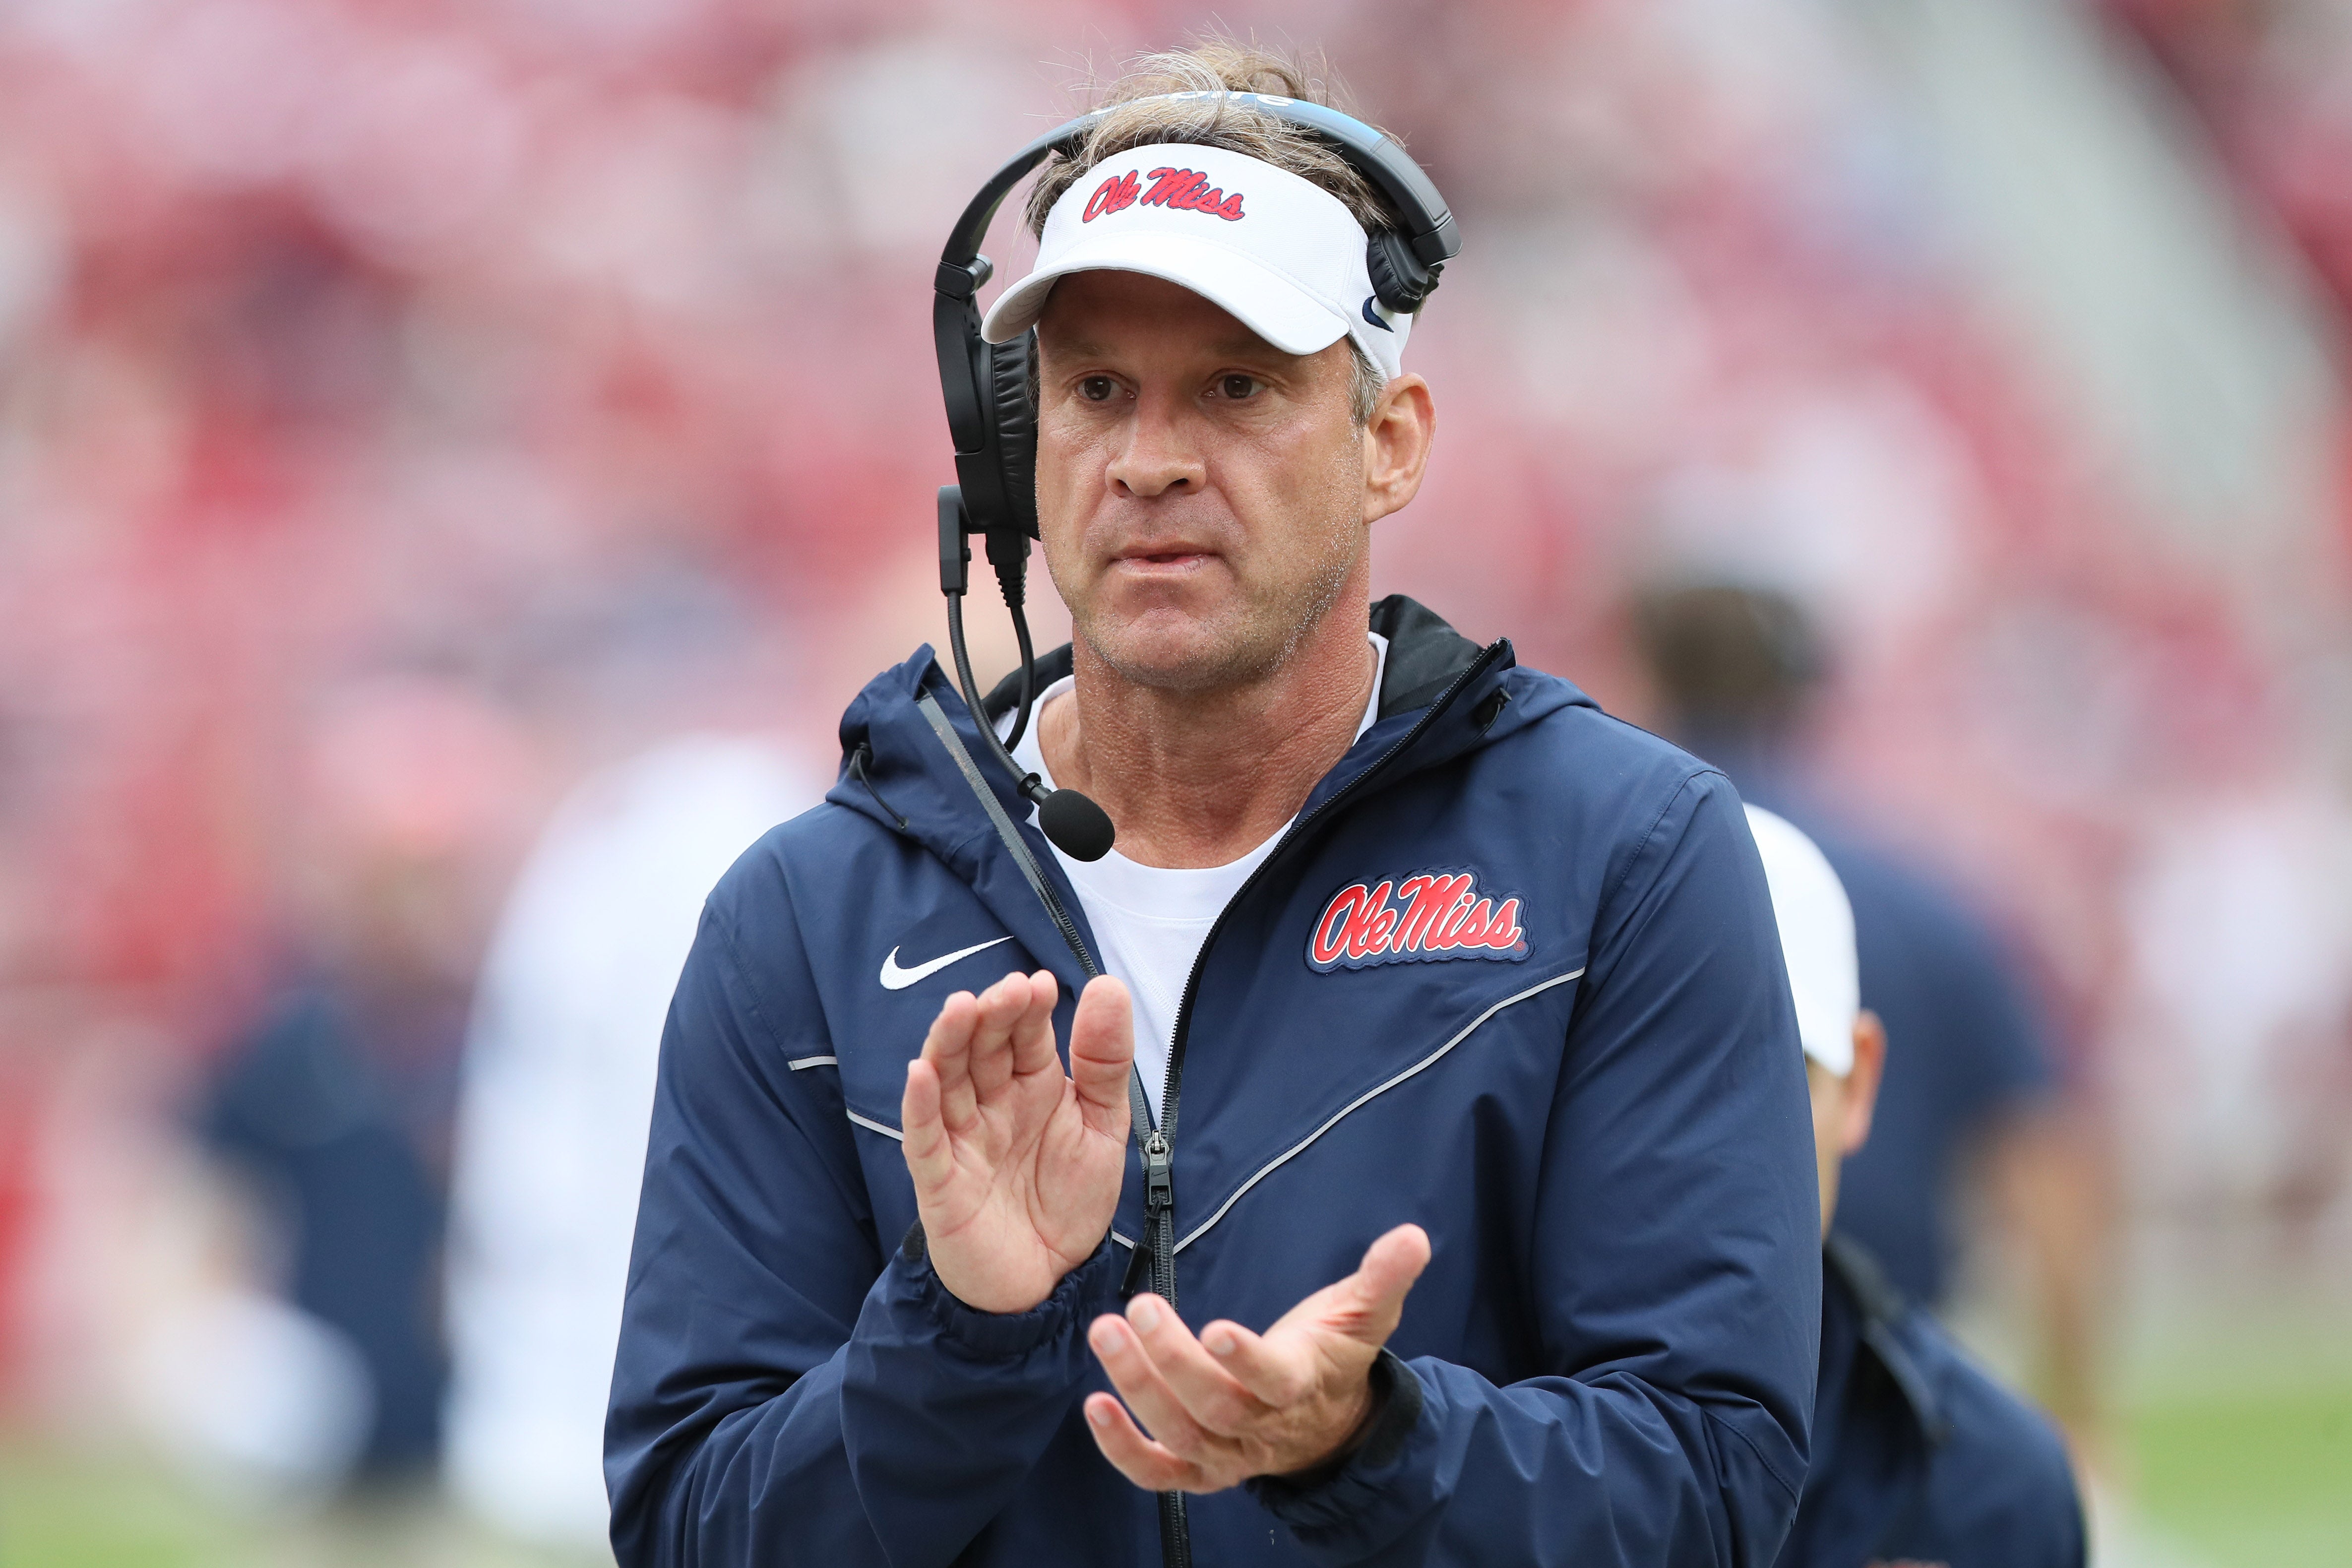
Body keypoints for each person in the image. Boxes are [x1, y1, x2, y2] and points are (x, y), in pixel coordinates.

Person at [608, 45, 1820, 1568]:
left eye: (1236, 387)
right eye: (1095, 390)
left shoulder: (1621, 859)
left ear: (1388, 443)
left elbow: (1716, 1487)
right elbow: (688, 1536)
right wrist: (961, 1336)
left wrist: (1371, 1441)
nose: (1150, 461)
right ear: (1009, 455)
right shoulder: (804, 915)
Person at [1634, 581, 2108, 1457]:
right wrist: (2072, 1395)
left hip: (1641, 1400)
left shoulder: (1597, 888)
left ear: (1650, 676)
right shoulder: (1926, 893)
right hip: (1886, 1395)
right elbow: (2045, 1155)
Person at [1744, 804, 2085, 1568]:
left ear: (1857, 1081)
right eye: (1657, 1076)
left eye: (1775, 1076)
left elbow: (2045, 1136)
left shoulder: (1988, 1486)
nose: (1719, 1139)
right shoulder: (1462, 1437)